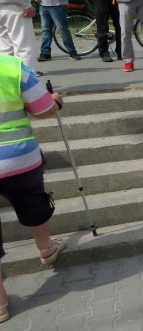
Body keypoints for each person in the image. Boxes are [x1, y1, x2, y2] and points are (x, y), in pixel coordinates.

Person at [0, 53, 66, 324]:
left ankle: (0, 305)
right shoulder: (10, 66)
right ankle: (45, 246)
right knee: (31, 200)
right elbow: (43, 109)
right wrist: (56, 101)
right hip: (18, 159)